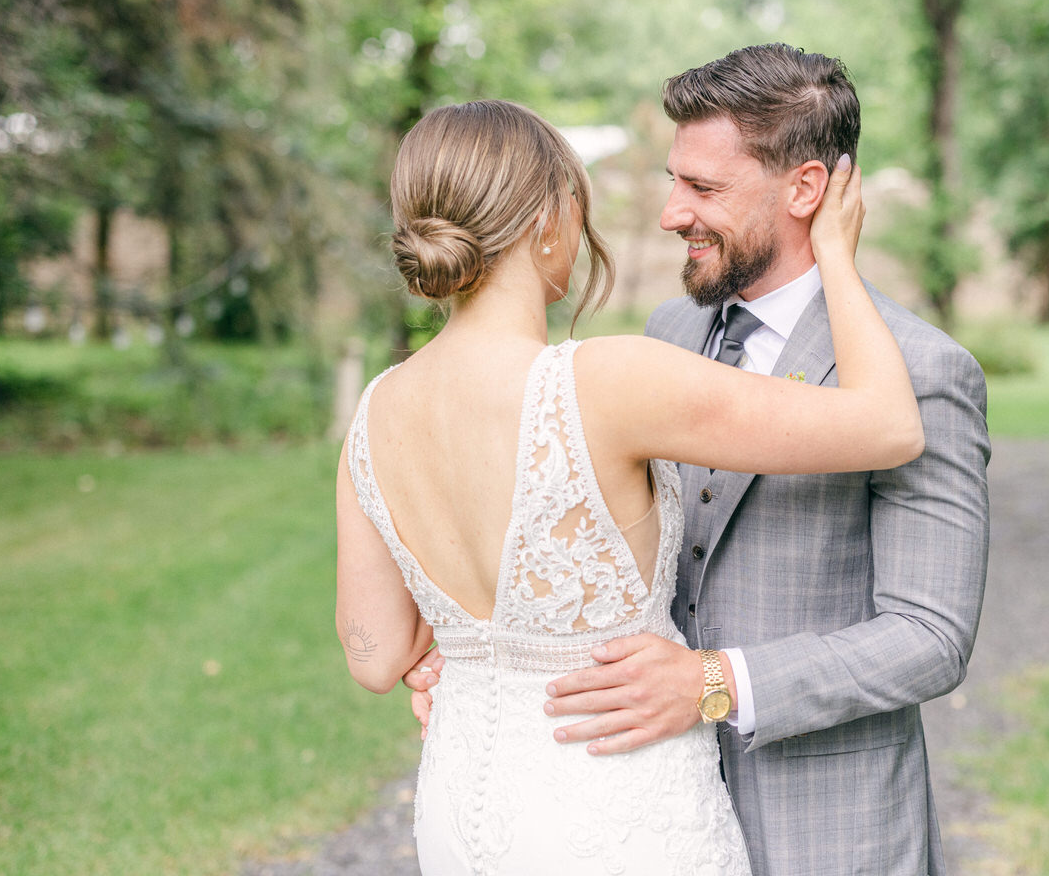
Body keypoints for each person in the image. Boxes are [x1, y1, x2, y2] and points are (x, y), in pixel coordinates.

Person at [335, 95, 925, 875]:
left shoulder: (377, 412)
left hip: (466, 806)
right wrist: (838, 260)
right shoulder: (607, 380)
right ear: (550, 218)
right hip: (617, 804)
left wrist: (481, 645)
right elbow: (889, 425)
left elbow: (376, 658)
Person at [512, 44, 990, 875]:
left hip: (830, 830)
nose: (670, 213)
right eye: (674, 180)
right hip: (654, 811)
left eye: (702, 188)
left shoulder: (921, 372)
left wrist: (712, 683)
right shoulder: (670, 334)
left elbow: (930, 636)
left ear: (805, 188)